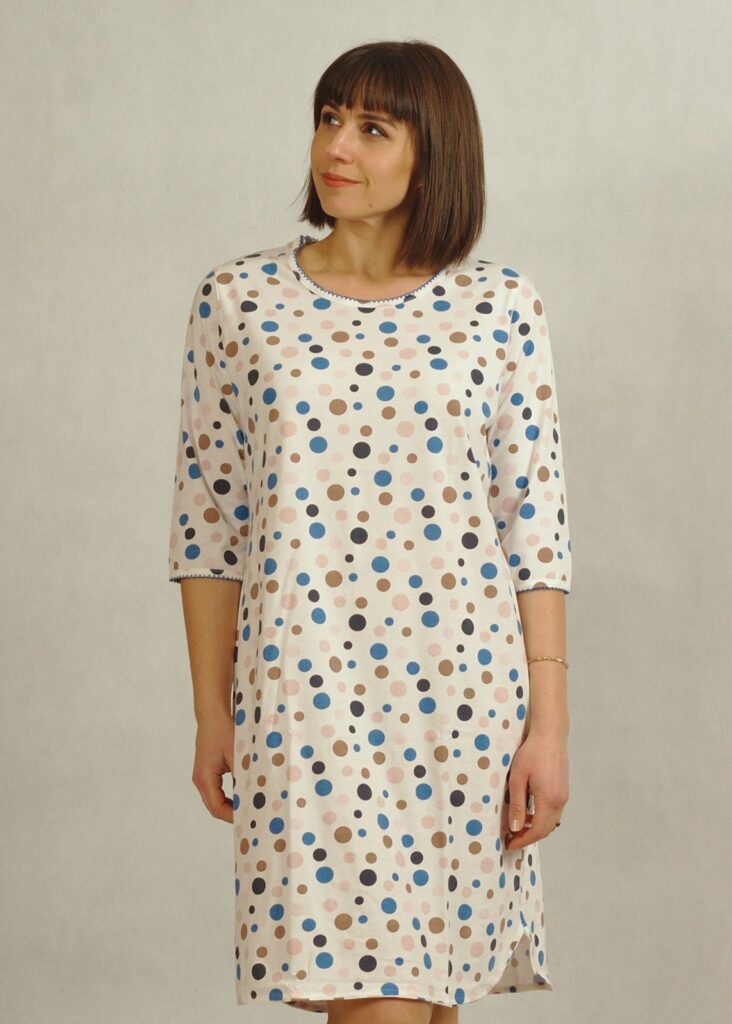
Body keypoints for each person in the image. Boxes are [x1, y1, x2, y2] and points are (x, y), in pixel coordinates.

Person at [168, 39, 572, 1023]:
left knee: (434, 999)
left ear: (434, 156)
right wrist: (213, 711)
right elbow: (209, 525)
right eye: (329, 118)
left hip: (462, 705)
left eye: (372, 128)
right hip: (308, 701)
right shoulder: (239, 302)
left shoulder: (499, 308)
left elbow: (536, 530)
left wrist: (549, 727)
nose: (336, 147)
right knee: (378, 995)